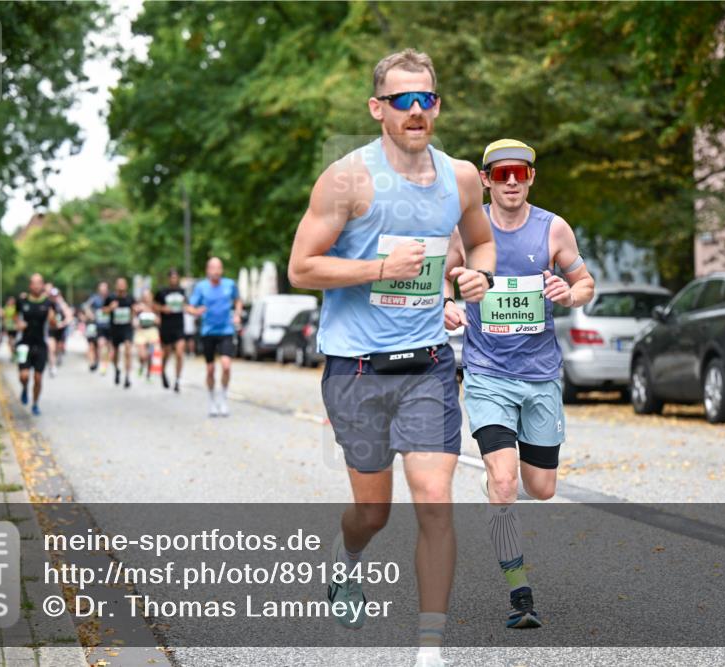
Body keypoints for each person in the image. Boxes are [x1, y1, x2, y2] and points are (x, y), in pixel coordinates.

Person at [287, 49, 495, 667]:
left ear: (437, 105)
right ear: (378, 109)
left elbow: (480, 241)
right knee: (372, 513)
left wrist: (476, 276)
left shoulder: (460, 177)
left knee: (435, 497)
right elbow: (301, 267)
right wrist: (380, 268)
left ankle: (429, 649)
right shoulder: (347, 179)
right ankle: (346, 560)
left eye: (425, 99)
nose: (415, 110)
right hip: (356, 368)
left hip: (428, 363)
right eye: (401, 100)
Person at [443, 138, 595, 629]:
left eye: (521, 173)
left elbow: (585, 281)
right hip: (487, 375)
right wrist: (446, 303)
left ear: (532, 177)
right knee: (506, 486)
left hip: (541, 377)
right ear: (486, 179)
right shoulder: (468, 229)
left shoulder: (554, 229)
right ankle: (519, 593)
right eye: (502, 173)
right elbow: (441, 280)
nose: (512, 181)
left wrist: (569, 293)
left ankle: (501, 477)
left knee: (542, 487)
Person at [187, 258, 242, 417]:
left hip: (226, 330)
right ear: (207, 270)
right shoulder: (201, 287)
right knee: (210, 369)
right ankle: (212, 401)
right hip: (208, 332)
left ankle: (223, 399)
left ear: (222, 270)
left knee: (226, 365)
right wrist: (195, 312)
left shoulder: (229, 285)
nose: (216, 271)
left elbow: (238, 301)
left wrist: (237, 314)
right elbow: (190, 307)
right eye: (212, 268)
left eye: (218, 268)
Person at [15, 274, 56, 416]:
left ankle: (35, 403)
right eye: (34, 283)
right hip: (24, 344)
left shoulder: (48, 303)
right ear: (30, 286)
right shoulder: (22, 301)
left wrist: (52, 320)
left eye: (39, 283)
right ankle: (25, 388)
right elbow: (14, 317)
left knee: (38, 378)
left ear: (43, 285)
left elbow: (53, 323)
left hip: (40, 344)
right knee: (24, 376)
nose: (37, 286)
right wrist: (18, 323)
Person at [154, 269, 187, 392]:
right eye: (171, 277)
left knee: (179, 353)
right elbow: (154, 305)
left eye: (175, 277)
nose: (174, 279)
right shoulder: (162, 292)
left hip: (179, 326)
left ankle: (177, 380)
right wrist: (162, 308)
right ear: (168, 279)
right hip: (166, 326)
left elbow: (187, 305)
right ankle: (162, 370)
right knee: (166, 353)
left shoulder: (182, 292)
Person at [104, 277, 136, 389]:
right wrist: (110, 308)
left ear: (126, 286)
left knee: (128, 350)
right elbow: (104, 311)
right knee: (115, 352)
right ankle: (117, 369)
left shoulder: (130, 298)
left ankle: (127, 376)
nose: (122, 286)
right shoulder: (111, 298)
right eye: (119, 284)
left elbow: (134, 309)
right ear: (116, 286)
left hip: (127, 328)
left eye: (123, 284)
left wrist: (134, 315)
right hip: (115, 329)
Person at [83, 282, 111, 373]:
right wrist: (91, 315)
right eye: (101, 289)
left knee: (106, 347)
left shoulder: (111, 298)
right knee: (96, 344)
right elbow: (86, 306)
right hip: (97, 326)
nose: (103, 291)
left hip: (108, 326)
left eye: (105, 289)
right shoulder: (94, 298)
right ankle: (96, 362)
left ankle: (104, 364)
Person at [134, 289, 161, 382]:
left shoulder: (155, 307)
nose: (146, 298)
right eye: (144, 296)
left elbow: (159, 320)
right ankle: (141, 365)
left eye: (148, 296)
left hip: (152, 332)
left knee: (150, 354)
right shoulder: (138, 307)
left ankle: (149, 374)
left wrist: (153, 315)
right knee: (143, 355)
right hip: (141, 333)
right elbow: (134, 318)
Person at [47, 288, 74, 376]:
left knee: (59, 347)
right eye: (52, 296)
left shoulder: (62, 305)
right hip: (51, 330)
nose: (54, 298)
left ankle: (59, 356)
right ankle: (52, 366)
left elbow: (69, 317)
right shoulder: (48, 305)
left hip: (61, 330)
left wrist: (62, 324)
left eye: (56, 296)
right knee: (51, 348)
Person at [2, 296, 19, 360]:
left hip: (14, 326)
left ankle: (14, 354)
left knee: (13, 341)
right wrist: (4, 327)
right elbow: (4, 318)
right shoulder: (5, 308)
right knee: (10, 341)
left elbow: (17, 317)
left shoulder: (15, 308)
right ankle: (13, 354)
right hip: (9, 326)